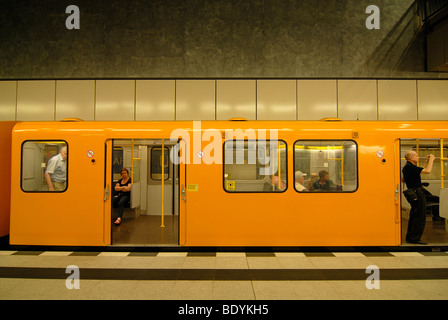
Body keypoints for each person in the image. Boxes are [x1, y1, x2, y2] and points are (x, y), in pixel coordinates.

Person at [402, 151, 435, 245]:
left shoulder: (408, 167)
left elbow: (423, 169)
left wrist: (427, 161)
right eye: (416, 156)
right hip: (417, 193)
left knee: (414, 215)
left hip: (414, 193)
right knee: (419, 217)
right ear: (411, 158)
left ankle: (411, 237)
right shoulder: (409, 167)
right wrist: (432, 160)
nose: (418, 157)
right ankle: (415, 238)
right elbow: (427, 171)